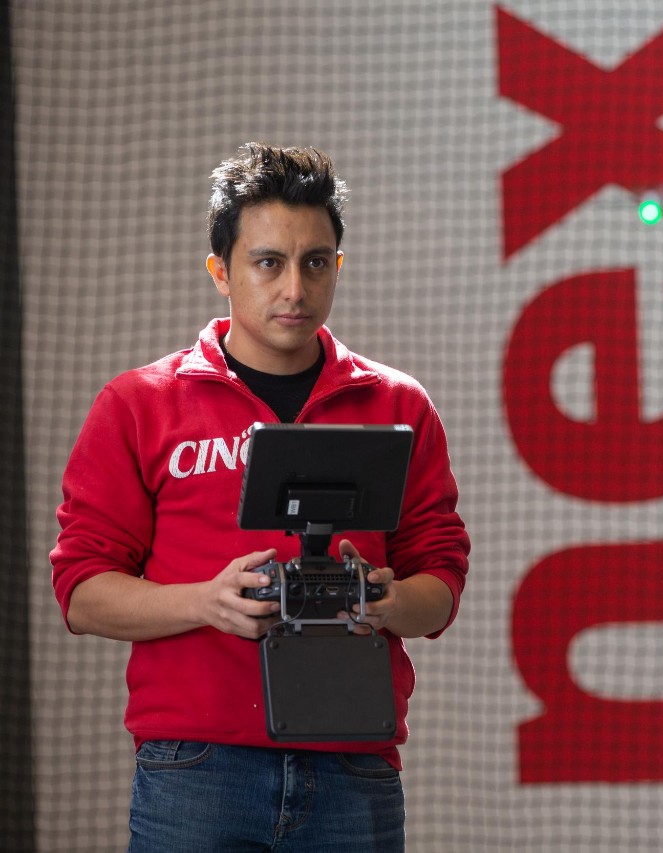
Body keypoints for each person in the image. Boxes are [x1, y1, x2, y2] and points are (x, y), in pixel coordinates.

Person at [50, 142, 469, 852]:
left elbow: (443, 578)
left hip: (353, 765)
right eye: (268, 261)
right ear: (221, 270)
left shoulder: (398, 404)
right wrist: (205, 601)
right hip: (195, 769)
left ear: (338, 266)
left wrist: (386, 599)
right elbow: (81, 591)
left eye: (315, 262)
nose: (294, 290)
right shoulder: (139, 403)